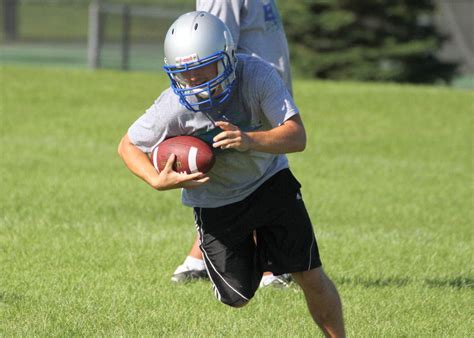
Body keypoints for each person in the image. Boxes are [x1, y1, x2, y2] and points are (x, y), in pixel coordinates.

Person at [118, 12, 345, 337]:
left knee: (309, 275)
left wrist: (249, 139)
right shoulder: (174, 105)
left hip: (270, 182)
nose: (194, 80)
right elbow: (127, 145)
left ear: (226, 57)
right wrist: (155, 179)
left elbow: (297, 137)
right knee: (236, 296)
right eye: (185, 73)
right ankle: (258, 245)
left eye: (201, 69)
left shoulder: (257, 75)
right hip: (216, 200)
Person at [172, 0, 294, 287]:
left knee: (257, 170)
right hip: (240, 98)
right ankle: (268, 265)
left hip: (266, 94)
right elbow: (207, 46)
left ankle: (201, 258)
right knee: (248, 174)